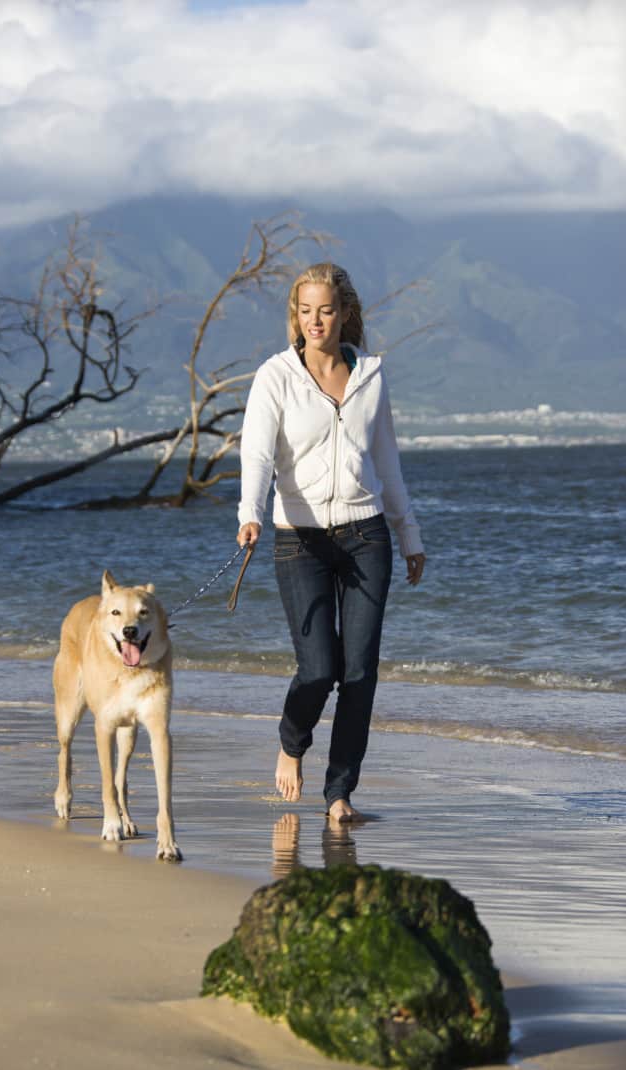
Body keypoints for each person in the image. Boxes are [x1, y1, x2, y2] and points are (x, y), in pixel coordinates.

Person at [236, 262, 425, 823]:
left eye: (326, 309)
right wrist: (250, 514)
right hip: (300, 539)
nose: (315, 320)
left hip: (366, 534)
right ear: (295, 316)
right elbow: (258, 453)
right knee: (319, 669)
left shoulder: (371, 375)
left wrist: (408, 533)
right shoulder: (276, 376)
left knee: (360, 673)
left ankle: (339, 793)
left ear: (344, 313)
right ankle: (293, 741)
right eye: (305, 310)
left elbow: (387, 460)